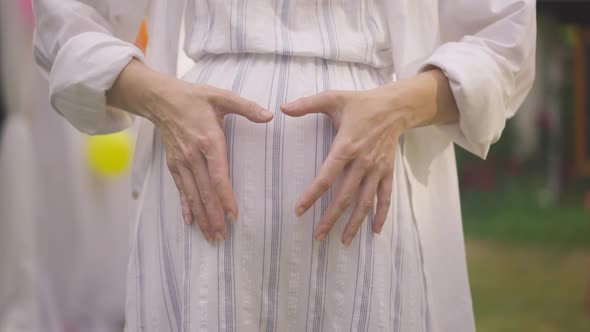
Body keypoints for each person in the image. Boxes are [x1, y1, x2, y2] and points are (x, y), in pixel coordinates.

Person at [33, 0, 536, 331]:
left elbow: (505, 41)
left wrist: (398, 108)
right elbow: (67, 18)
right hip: (200, 200)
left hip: (367, 201)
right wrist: (160, 98)